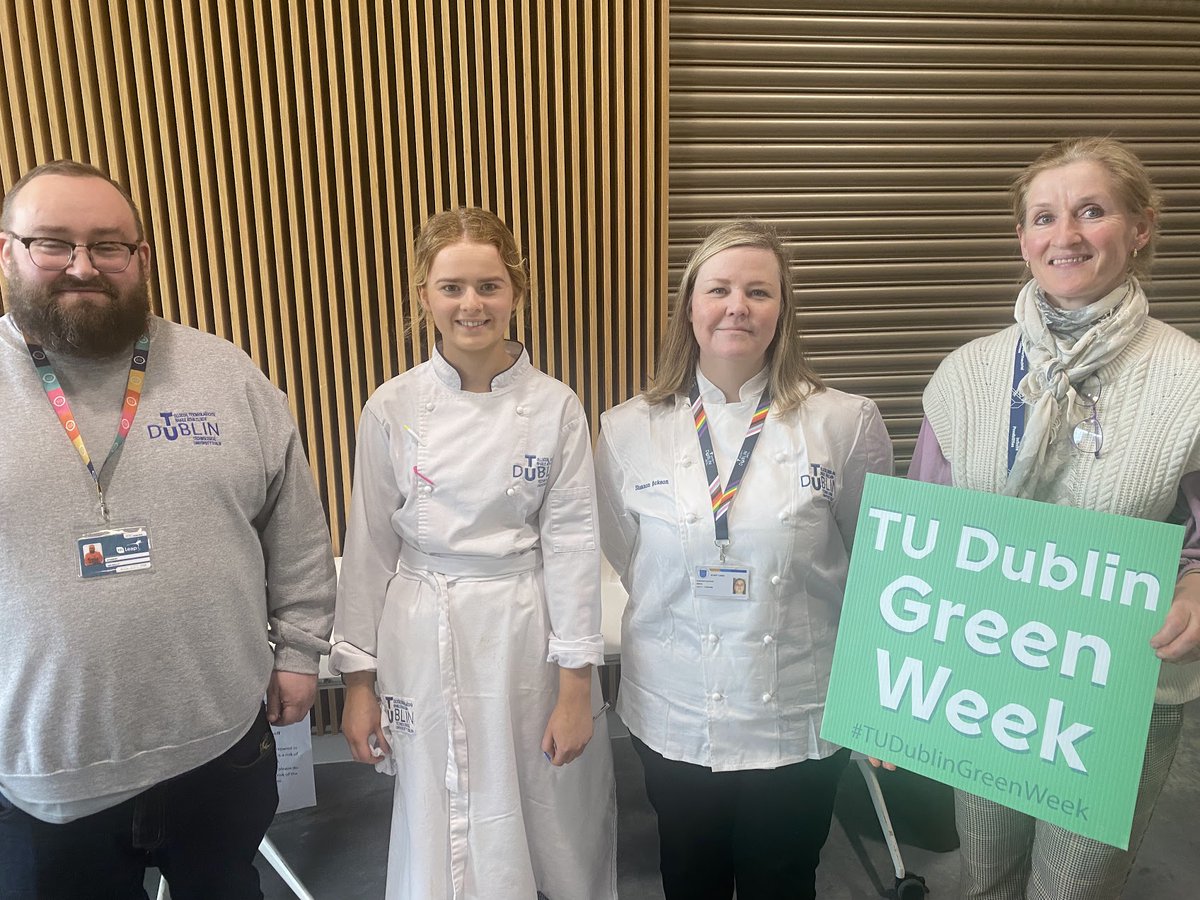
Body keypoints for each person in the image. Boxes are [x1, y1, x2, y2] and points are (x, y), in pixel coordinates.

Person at [0, 160, 336, 899]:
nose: (82, 265)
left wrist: (302, 652)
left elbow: (298, 530)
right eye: (52, 243)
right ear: (9, 252)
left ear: (142, 257)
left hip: (219, 747)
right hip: (46, 770)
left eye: (108, 245)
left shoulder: (225, 375)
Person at [906, 137, 1200, 899]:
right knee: (984, 872)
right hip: (986, 671)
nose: (1064, 235)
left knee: (1074, 887)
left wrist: (1198, 588)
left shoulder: (1189, 379)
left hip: (1118, 683)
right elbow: (927, 533)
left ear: (1139, 229)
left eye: (1091, 211)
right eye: (1044, 216)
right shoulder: (966, 375)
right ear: (1023, 239)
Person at [596, 219, 893, 899]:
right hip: (674, 706)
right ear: (690, 308)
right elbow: (626, 553)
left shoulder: (843, 423)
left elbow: (876, 567)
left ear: (782, 310)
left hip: (798, 707)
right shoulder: (626, 428)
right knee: (689, 877)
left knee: (783, 879)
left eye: (759, 291)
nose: (738, 305)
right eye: (720, 289)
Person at [330, 208, 617, 900]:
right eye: (452, 287)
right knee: (440, 802)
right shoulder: (391, 408)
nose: (471, 305)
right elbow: (369, 548)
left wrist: (577, 688)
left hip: (526, 628)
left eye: (488, 286)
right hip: (422, 628)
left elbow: (576, 546)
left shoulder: (555, 407)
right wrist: (358, 686)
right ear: (423, 296)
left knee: (549, 805)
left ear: (515, 291)